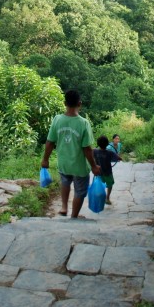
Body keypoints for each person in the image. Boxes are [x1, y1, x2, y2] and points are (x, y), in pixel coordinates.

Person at [41, 89, 100, 218]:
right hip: (79, 167)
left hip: (63, 163)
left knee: (65, 182)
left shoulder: (57, 120)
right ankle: (73, 216)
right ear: (80, 104)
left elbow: (50, 142)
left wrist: (45, 159)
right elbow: (87, 149)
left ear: (64, 103)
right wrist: (94, 166)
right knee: (80, 191)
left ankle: (64, 207)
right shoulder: (83, 123)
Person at [94, 135, 121, 205]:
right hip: (108, 173)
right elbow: (118, 158)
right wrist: (119, 158)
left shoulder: (95, 151)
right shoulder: (110, 152)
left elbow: (89, 152)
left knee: (100, 185)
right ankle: (107, 198)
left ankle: (101, 198)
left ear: (98, 143)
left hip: (99, 173)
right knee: (110, 185)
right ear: (108, 144)